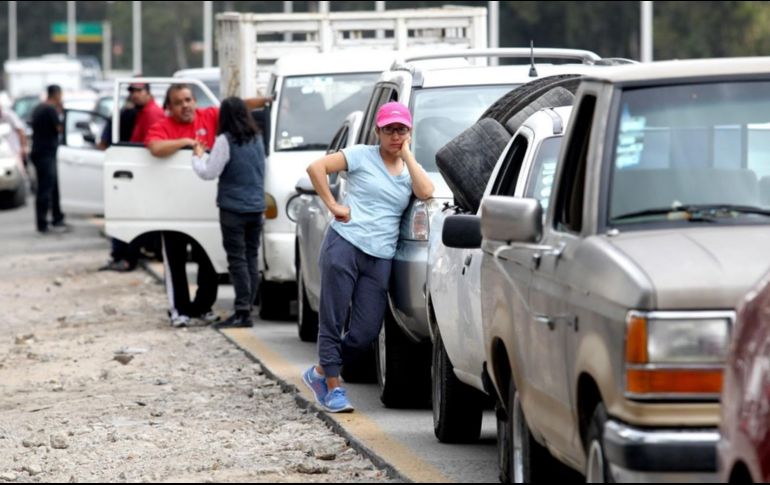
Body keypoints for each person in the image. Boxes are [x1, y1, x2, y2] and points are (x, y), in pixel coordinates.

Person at [301, 102, 435, 413]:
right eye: (389, 130)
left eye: (401, 129)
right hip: (345, 244)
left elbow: (427, 191)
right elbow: (316, 168)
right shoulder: (362, 154)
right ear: (378, 132)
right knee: (332, 319)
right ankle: (333, 388)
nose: (395, 135)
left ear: (409, 132)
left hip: (380, 256)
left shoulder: (410, 172)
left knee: (365, 333)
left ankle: (320, 371)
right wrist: (334, 206)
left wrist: (408, 155)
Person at [145, 84, 270, 328]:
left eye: (189, 99)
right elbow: (155, 148)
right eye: (179, 102)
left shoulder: (211, 117)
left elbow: (242, 105)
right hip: (174, 209)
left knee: (209, 260)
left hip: (209, 208)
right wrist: (186, 142)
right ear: (168, 108)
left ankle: (204, 307)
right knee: (176, 260)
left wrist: (269, 98)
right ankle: (180, 310)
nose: (186, 105)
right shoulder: (162, 127)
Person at [191, 97, 266, 329]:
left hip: (233, 209)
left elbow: (209, 173)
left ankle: (242, 312)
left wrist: (197, 155)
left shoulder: (225, 140)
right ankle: (248, 308)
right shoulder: (257, 138)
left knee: (237, 260)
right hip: (256, 207)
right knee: (251, 258)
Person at [30, 85, 68, 234]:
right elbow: (60, 129)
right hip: (46, 154)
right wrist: (61, 111)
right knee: (45, 189)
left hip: (40, 152)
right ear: (57, 94)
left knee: (49, 187)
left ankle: (55, 217)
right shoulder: (51, 109)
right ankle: (43, 223)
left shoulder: (38, 107)